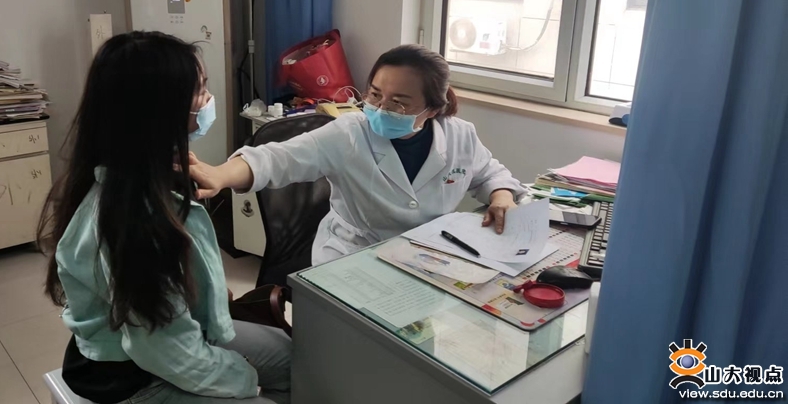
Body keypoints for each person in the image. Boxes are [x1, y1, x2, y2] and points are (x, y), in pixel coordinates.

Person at [37, 32, 290, 404]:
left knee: (293, 358)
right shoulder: (134, 219)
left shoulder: (132, 173)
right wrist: (245, 378)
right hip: (136, 374)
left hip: (166, 336)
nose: (208, 100)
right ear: (160, 110)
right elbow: (165, 352)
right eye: (199, 91)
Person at [190, 44, 526, 265]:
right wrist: (220, 175)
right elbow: (276, 159)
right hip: (353, 256)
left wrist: (501, 196)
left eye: (399, 102)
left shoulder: (459, 135)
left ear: (433, 108)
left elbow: (489, 173)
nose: (380, 108)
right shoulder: (349, 133)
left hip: (426, 255)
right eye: (375, 94)